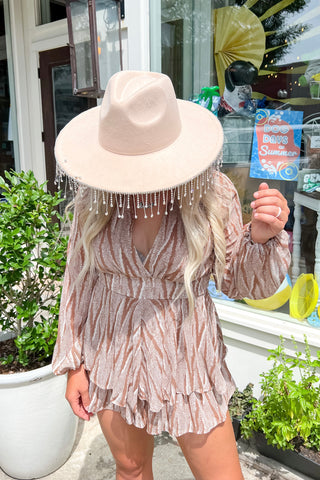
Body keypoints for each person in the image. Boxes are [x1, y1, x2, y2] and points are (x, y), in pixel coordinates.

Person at [52, 70, 290, 480]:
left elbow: (238, 281)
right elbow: (78, 278)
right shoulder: (95, 197)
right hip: (112, 348)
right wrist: (75, 364)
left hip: (188, 353)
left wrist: (262, 239)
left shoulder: (213, 192)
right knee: (129, 467)